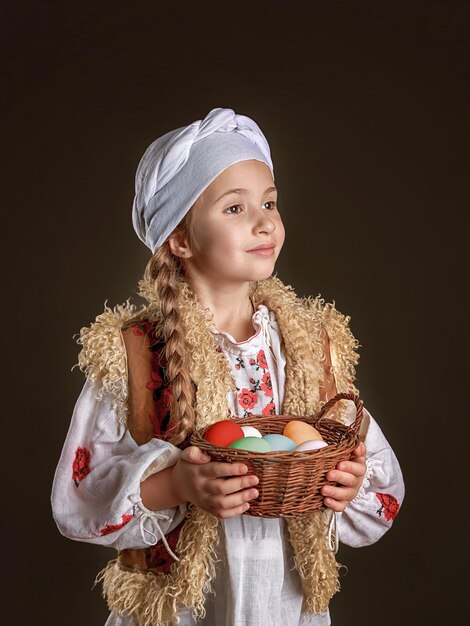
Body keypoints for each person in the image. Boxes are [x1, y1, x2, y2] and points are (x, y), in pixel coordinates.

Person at [51, 107, 404, 626]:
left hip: (284, 604)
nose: (265, 222)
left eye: (269, 203)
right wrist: (176, 487)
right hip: (185, 610)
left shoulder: (311, 344)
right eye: (235, 208)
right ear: (181, 238)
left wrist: (348, 484)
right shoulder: (137, 351)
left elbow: (378, 480)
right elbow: (79, 499)